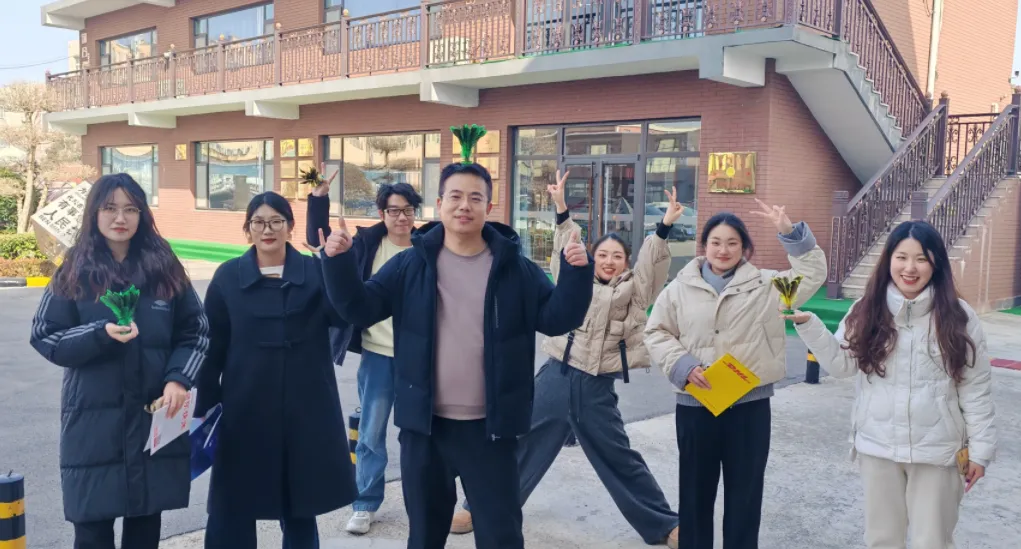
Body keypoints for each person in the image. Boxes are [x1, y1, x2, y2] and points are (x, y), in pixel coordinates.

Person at [320, 160, 594, 549]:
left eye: (475, 198)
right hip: (425, 430)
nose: (465, 205)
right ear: (440, 203)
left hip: (492, 430)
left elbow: (556, 319)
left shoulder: (513, 268)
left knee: (501, 535)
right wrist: (338, 263)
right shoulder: (410, 264)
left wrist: (576, 275)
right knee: (425, 536)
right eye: (456, 196)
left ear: (488, 207)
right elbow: (360, 308)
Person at [451, 170, 681, 548]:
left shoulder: (636, 291)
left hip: (596, 386)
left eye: (617, 256)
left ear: (626, 263)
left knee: (619, 457)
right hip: (557, 375)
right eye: (602, 254)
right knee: (517, 443)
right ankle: (479, 507)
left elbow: (653, 266)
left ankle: (664, 524)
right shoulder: (576, 280)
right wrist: (560, 209)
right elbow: (566, 246)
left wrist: (664, 227)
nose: (609, 261)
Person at [784, 220, 996, 549]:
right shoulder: (866, 309)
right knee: (882, 540)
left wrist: (981, 452)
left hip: (937, 453)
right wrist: (811, 326)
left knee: (933, 542)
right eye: (902, 257)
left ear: (936, 263)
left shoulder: (959, 316)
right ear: (889, 260)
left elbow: (975, 389)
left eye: (921, 259)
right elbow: (842, 365)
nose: (910, 268)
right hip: (878, 447)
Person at [29, 173, 209, 549]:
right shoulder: (75, 268)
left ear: (143, 214)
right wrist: (99, 334)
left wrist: (178, 379)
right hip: (92, 425)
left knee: (144, 528)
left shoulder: (164, 267)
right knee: (91, 531)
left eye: (131, 209)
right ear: (94, 212)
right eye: (110, 208)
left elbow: (196, 331)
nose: (120, 218)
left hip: (151, 419)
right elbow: (45, 335)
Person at [644, 201, 827, 549]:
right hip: (696, 406)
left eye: (732, 242)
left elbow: (813, 274)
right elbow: (656, 332)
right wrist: (684, 366)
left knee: (745, 495)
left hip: (749, 408)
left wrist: (790, 233)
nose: (723, 250)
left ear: (744, 247)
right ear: (704, 246)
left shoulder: (768, 285)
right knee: (694, 494)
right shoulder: (679, 289)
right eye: (716, 242)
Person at [196, 192, 357, 549]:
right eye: (258, 222)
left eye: (276, 221)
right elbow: (212, 347)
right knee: (233, 501)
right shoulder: (227, 277)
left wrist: (337, 262)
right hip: (244, 407)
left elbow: (343, 313)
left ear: (289, 227)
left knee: (299, 501)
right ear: (248, 229)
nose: (267, 230)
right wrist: (205, 406)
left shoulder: (314, 272)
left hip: (304, 408)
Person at [305, 172, 423, 534]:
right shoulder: (367, 244)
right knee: (370, 434)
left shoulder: (430, 245)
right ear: (381, 213)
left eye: (408, 210)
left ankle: (426, 503)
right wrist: (318, 200)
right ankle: (365, 503)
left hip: (421, 358)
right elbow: (322, 245)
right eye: (394, 211)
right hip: (377, 355)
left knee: (422, 436)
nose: (401, 217)